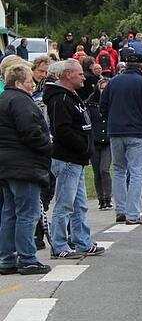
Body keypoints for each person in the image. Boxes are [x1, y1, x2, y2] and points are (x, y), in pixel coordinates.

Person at [42, 59, 106, 259]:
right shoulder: (59, 99)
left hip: (77, 159)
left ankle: (82, 241)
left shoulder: (71, 95)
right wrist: (82, 146)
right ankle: (59, 245)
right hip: (67, 158)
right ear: (67, 75)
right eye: (79, 74)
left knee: (79, 204)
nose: (83, 77)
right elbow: (62, 130)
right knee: (65, 203)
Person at [0, 63, 53, 275]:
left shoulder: (3, 99)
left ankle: (6, 258)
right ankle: (27, 258)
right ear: (20, 82)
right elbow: (31, 132)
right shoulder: (21, 101)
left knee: (9, 213)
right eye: (30, 82)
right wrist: (48, 146)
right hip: (24, 164)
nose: (33, 86)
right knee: (27, 214)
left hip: (6, 164)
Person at [99, 51, 142, 225]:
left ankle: (120, 210)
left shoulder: (113, 82)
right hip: (137, 132)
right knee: (136, 173)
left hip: (115, 132)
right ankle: (133, 213)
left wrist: (112, 120)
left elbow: (102, 106)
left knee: (119, 170)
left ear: (125, 64)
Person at [87, 78, 112, 210]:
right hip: (95, 140)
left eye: (106, 88)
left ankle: (108, 197)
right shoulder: (91, 103)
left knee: (104, 169)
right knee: (97, 172)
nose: (104, 91)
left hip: (108, 141)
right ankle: (100, 198)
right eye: (102, 88)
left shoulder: (113, 102)